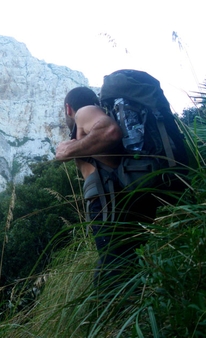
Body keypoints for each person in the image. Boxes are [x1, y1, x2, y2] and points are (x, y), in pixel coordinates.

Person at [55, 86, 158, 289]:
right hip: (121, 200)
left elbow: (110, 131)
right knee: (127, 268)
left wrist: (69, 149)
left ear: (68, 108)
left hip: (109, 204)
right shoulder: (92, 118)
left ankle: (118, 317)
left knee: (114, 277)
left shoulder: (84, 111)